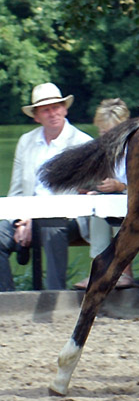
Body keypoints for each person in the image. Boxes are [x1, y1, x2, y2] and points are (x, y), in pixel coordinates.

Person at [0, 83, 92, 291]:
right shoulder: (26, 142)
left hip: (70, 217)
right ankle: (7, 300)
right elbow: (15, 191)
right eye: (45, 110)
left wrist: (36, 219)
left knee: (51, 227)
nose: (52, 113)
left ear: (65, 109)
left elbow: (79, 196)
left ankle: (54, 297)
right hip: (27, 216)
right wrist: (19, 221)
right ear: (36, 116)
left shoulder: (82, 143)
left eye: (56, 107)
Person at [73, 98, 134, 290]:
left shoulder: (135, 149)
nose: (104, 138)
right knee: (98, 207)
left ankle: (124, 272)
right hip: (107, 203)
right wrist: (89, 188)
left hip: (133, 203)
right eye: (101, 132)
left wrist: (119, 186)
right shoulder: (99, 150)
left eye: (109, 133)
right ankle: (98, 270)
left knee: (117, 209)